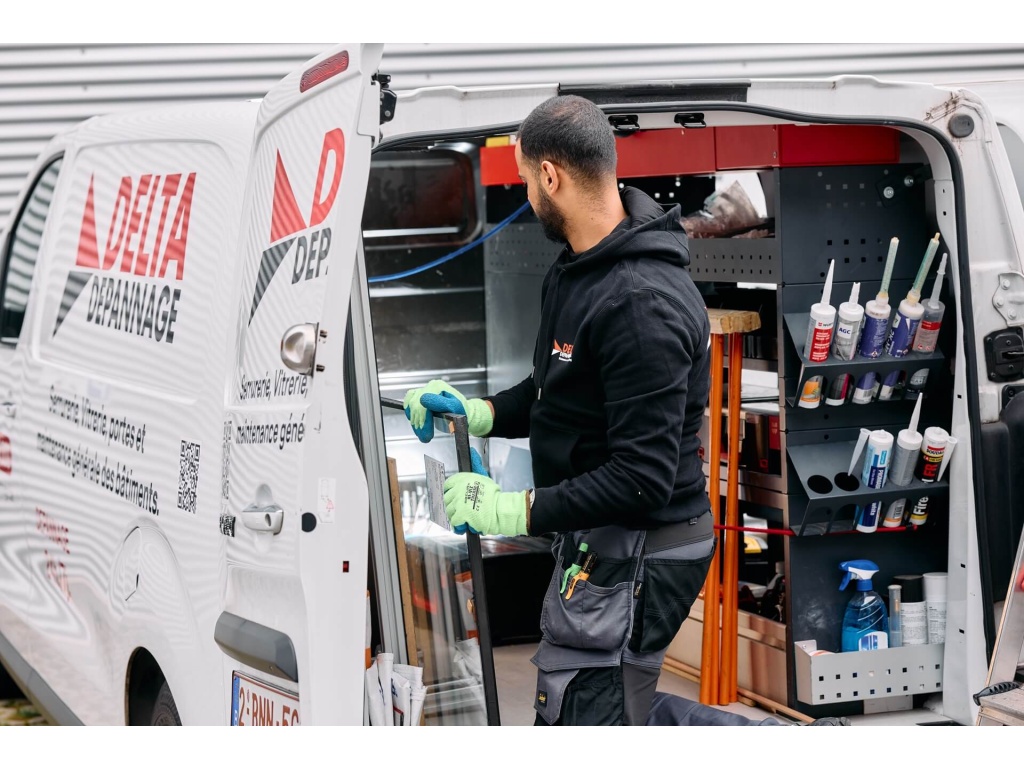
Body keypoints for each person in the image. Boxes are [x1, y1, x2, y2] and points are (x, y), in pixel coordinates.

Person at [403, 95, 847, 727]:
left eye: (526, 181)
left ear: (550, 175)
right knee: (596, 712)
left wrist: (511, 509)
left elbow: (642, 478)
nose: (527, 195)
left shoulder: (641, 303)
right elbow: (555, 392)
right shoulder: (576, 270)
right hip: (599, 532)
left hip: (646, 545)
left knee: (588, 718)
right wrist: (479, 413)